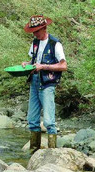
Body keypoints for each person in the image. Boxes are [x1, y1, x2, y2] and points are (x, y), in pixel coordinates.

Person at [22, 15, 68, 153]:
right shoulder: (35, 43)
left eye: (37, 31)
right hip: (35, 82)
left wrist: (44, 67)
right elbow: (33, 61)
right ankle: (34, 152)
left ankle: (52, 152)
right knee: (32, 120)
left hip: (48, 84)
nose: (35, 34)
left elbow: (63, 66)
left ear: (44, 28)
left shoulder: (55, 44)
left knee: (48, 121)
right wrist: (27, 64)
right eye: (33, 31)